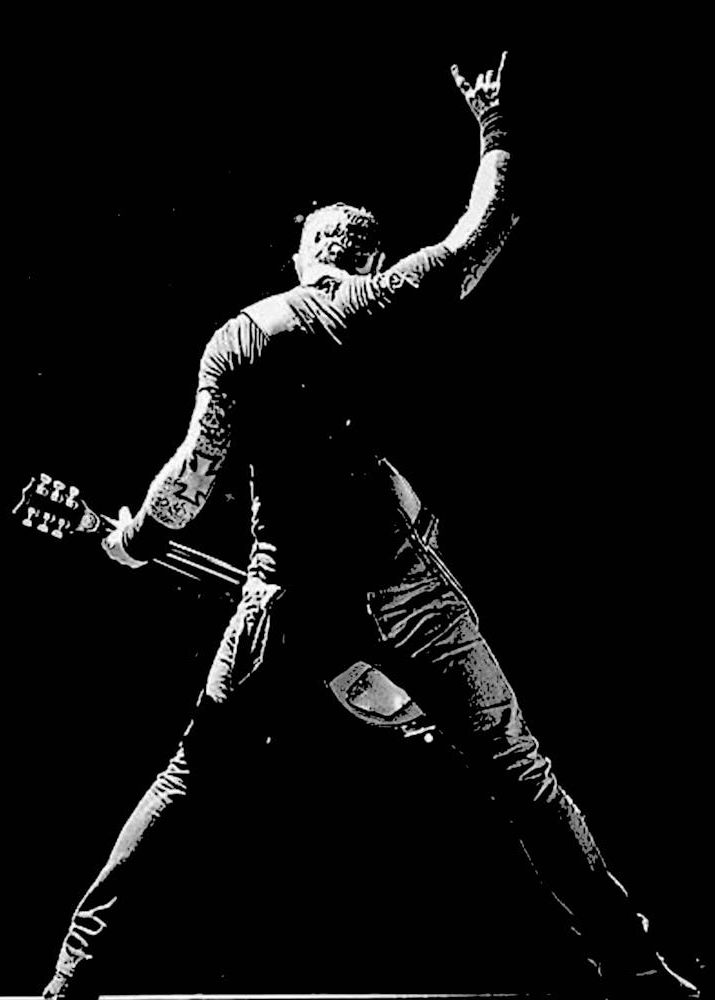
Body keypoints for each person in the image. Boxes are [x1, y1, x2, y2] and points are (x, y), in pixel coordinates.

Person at [42, 53, 699, 1000]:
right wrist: (494, 125)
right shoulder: (389, 300)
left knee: (189, 778)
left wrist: (133, 537)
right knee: (520, 774)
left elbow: (187, 485)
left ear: (304, 259)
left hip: (283, 594)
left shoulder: (242, 338)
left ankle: (74, 976)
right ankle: (635, 971)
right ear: (370, 262)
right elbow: (486, 226)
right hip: (406, 585)